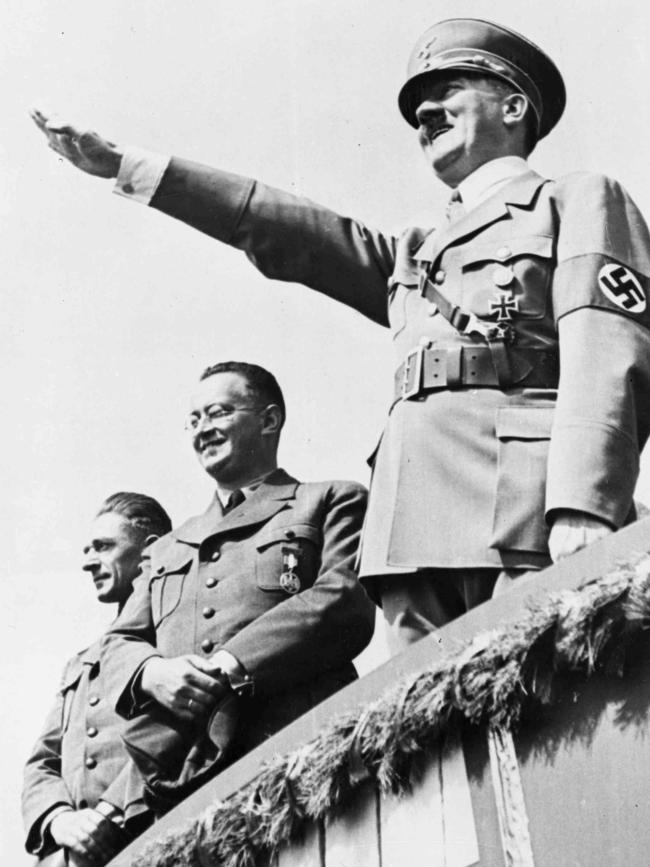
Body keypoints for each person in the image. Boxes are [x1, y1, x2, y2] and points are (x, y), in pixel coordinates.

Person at [31, 18, 650, 650]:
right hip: (411, 533)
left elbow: (608, 354)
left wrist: (584, 503)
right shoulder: (415, 252)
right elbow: (292, 230)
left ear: (514, 106)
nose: (426, 113)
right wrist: (133, 168)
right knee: (431, 734)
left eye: (449, 89)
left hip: (526, 509)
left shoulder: (575, 200)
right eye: (417, 106)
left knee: (554, 711)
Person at [99, 361, 373, 806]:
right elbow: (118, 642)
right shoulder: (167, 547)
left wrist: (230, 663)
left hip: (299, 753)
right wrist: (154, 673)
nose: (202, 430)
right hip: (184, 779)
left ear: (269, 420)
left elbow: (343, 599)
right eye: (193, 420)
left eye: (218, 413)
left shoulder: (330, 501)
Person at [22, 492, 172, 867]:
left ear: (151, 549)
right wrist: (59, 821)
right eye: (88, 549)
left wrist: (108, 813)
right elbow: (42, 763)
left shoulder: (173, 642)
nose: (89, 562)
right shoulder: (82, 662)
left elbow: (179, 739)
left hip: (152, 840)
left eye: (103, 547)